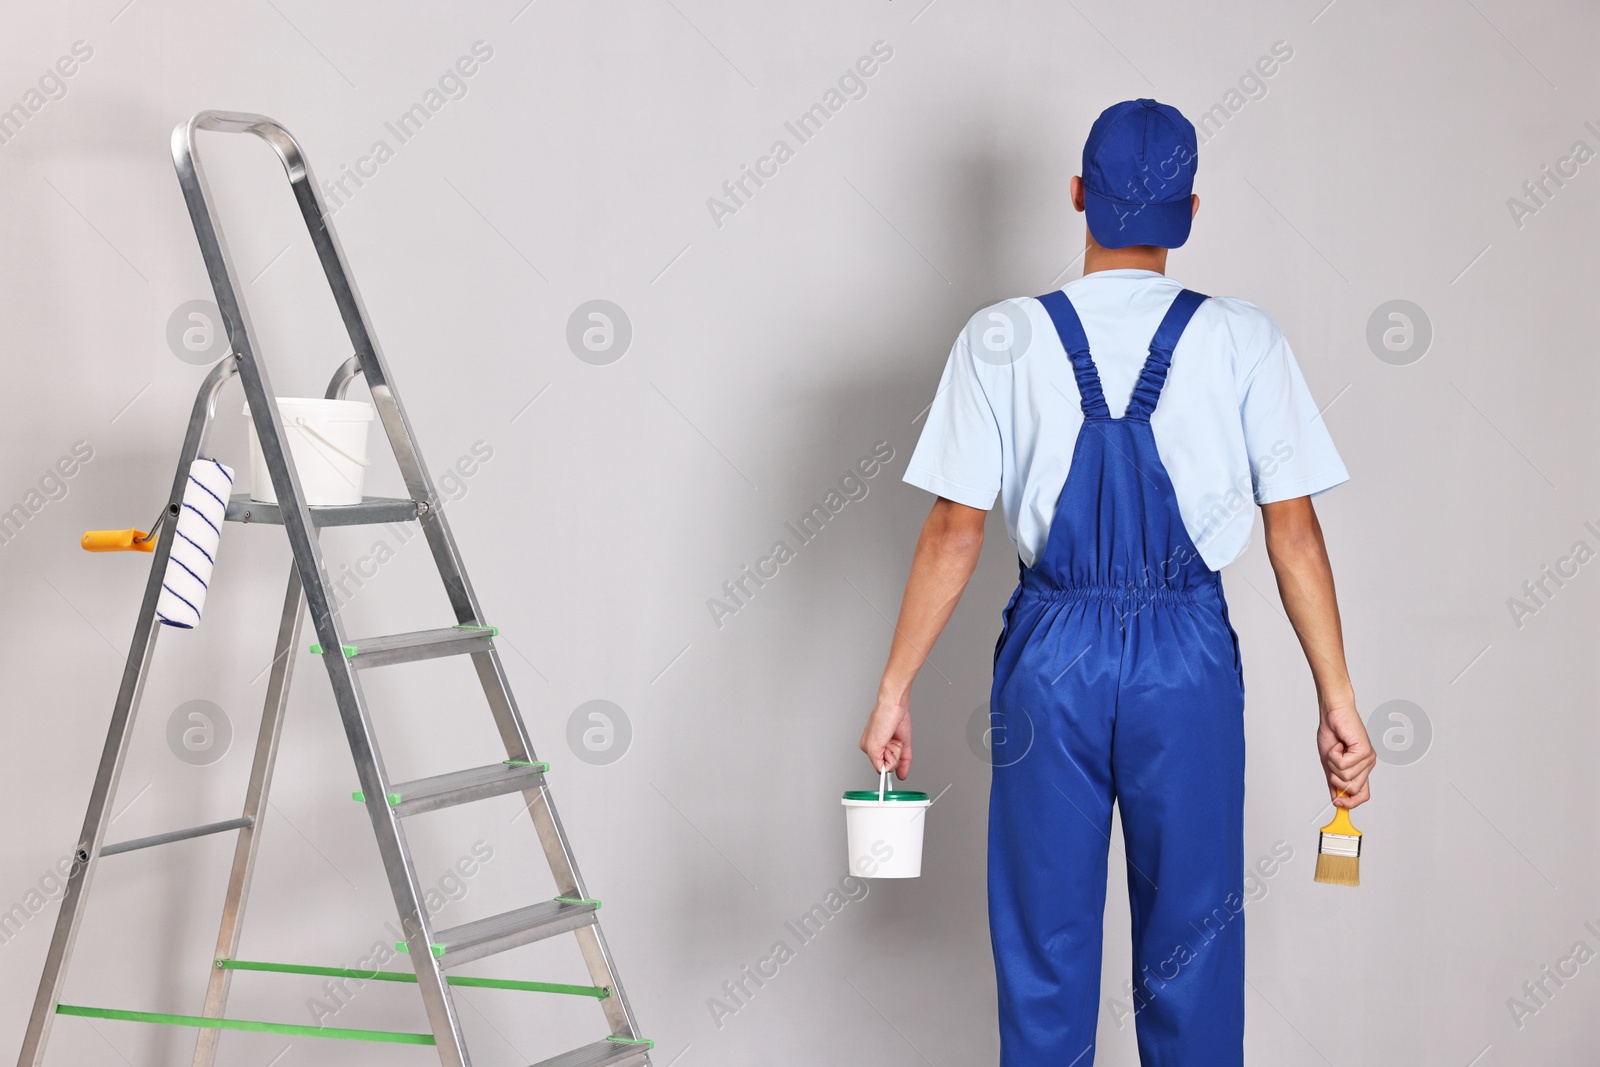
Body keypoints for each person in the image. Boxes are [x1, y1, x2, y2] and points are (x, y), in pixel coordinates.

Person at [858, 98, 1376, 1065]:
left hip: (1051, 661)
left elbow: (952, 531)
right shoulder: (1243, 338)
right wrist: (1336, 699)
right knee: (1193, 948)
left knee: (1044, 951)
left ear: (1078, 197)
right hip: (1187, 662)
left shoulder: (1001, 335)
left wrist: (894, 690)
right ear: (1188, 210)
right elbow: (1293, 532)